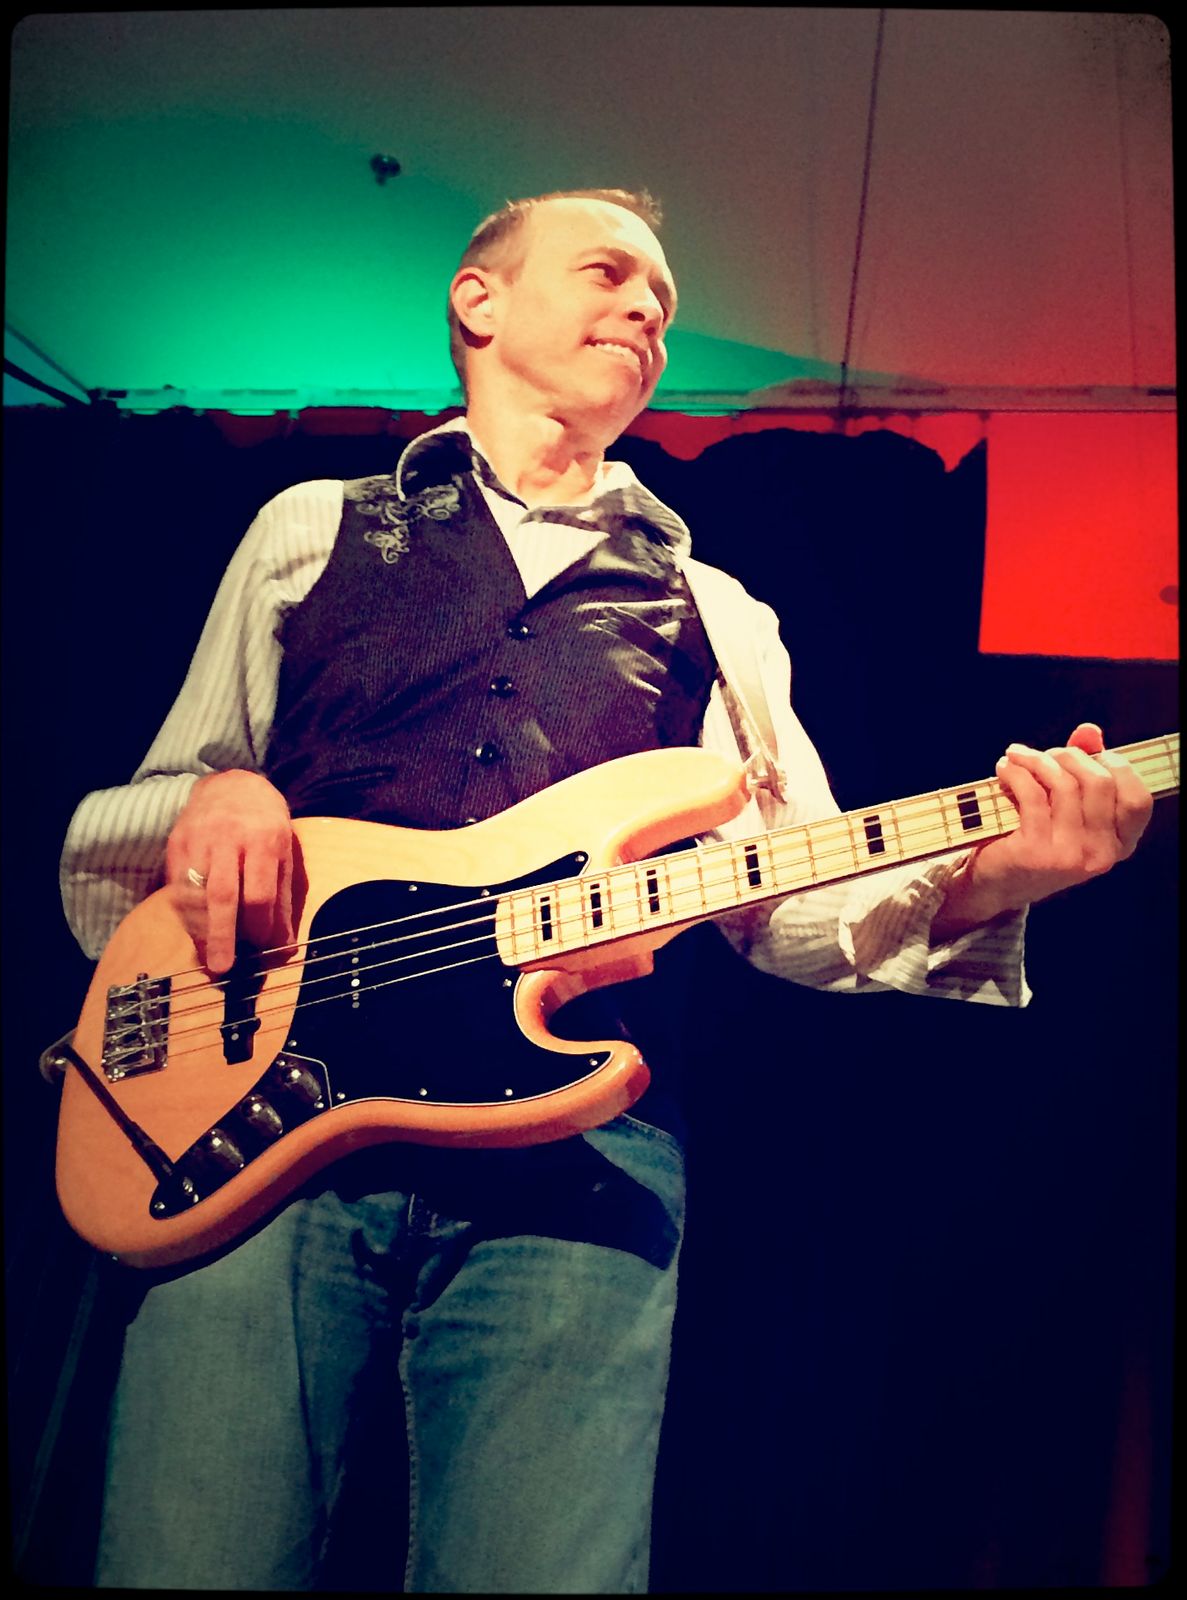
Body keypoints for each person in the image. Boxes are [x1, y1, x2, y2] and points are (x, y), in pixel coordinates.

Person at [58, 187, 1155, 1593]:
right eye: (610, 272)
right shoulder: (308, 529)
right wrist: (217, 796)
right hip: (252, 1121)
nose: (648, 309)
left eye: (664, 303)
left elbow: (788, 900)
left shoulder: (719, 610)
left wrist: (997, 873)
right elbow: (143, 836)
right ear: (479, 301)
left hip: (576, 1159)